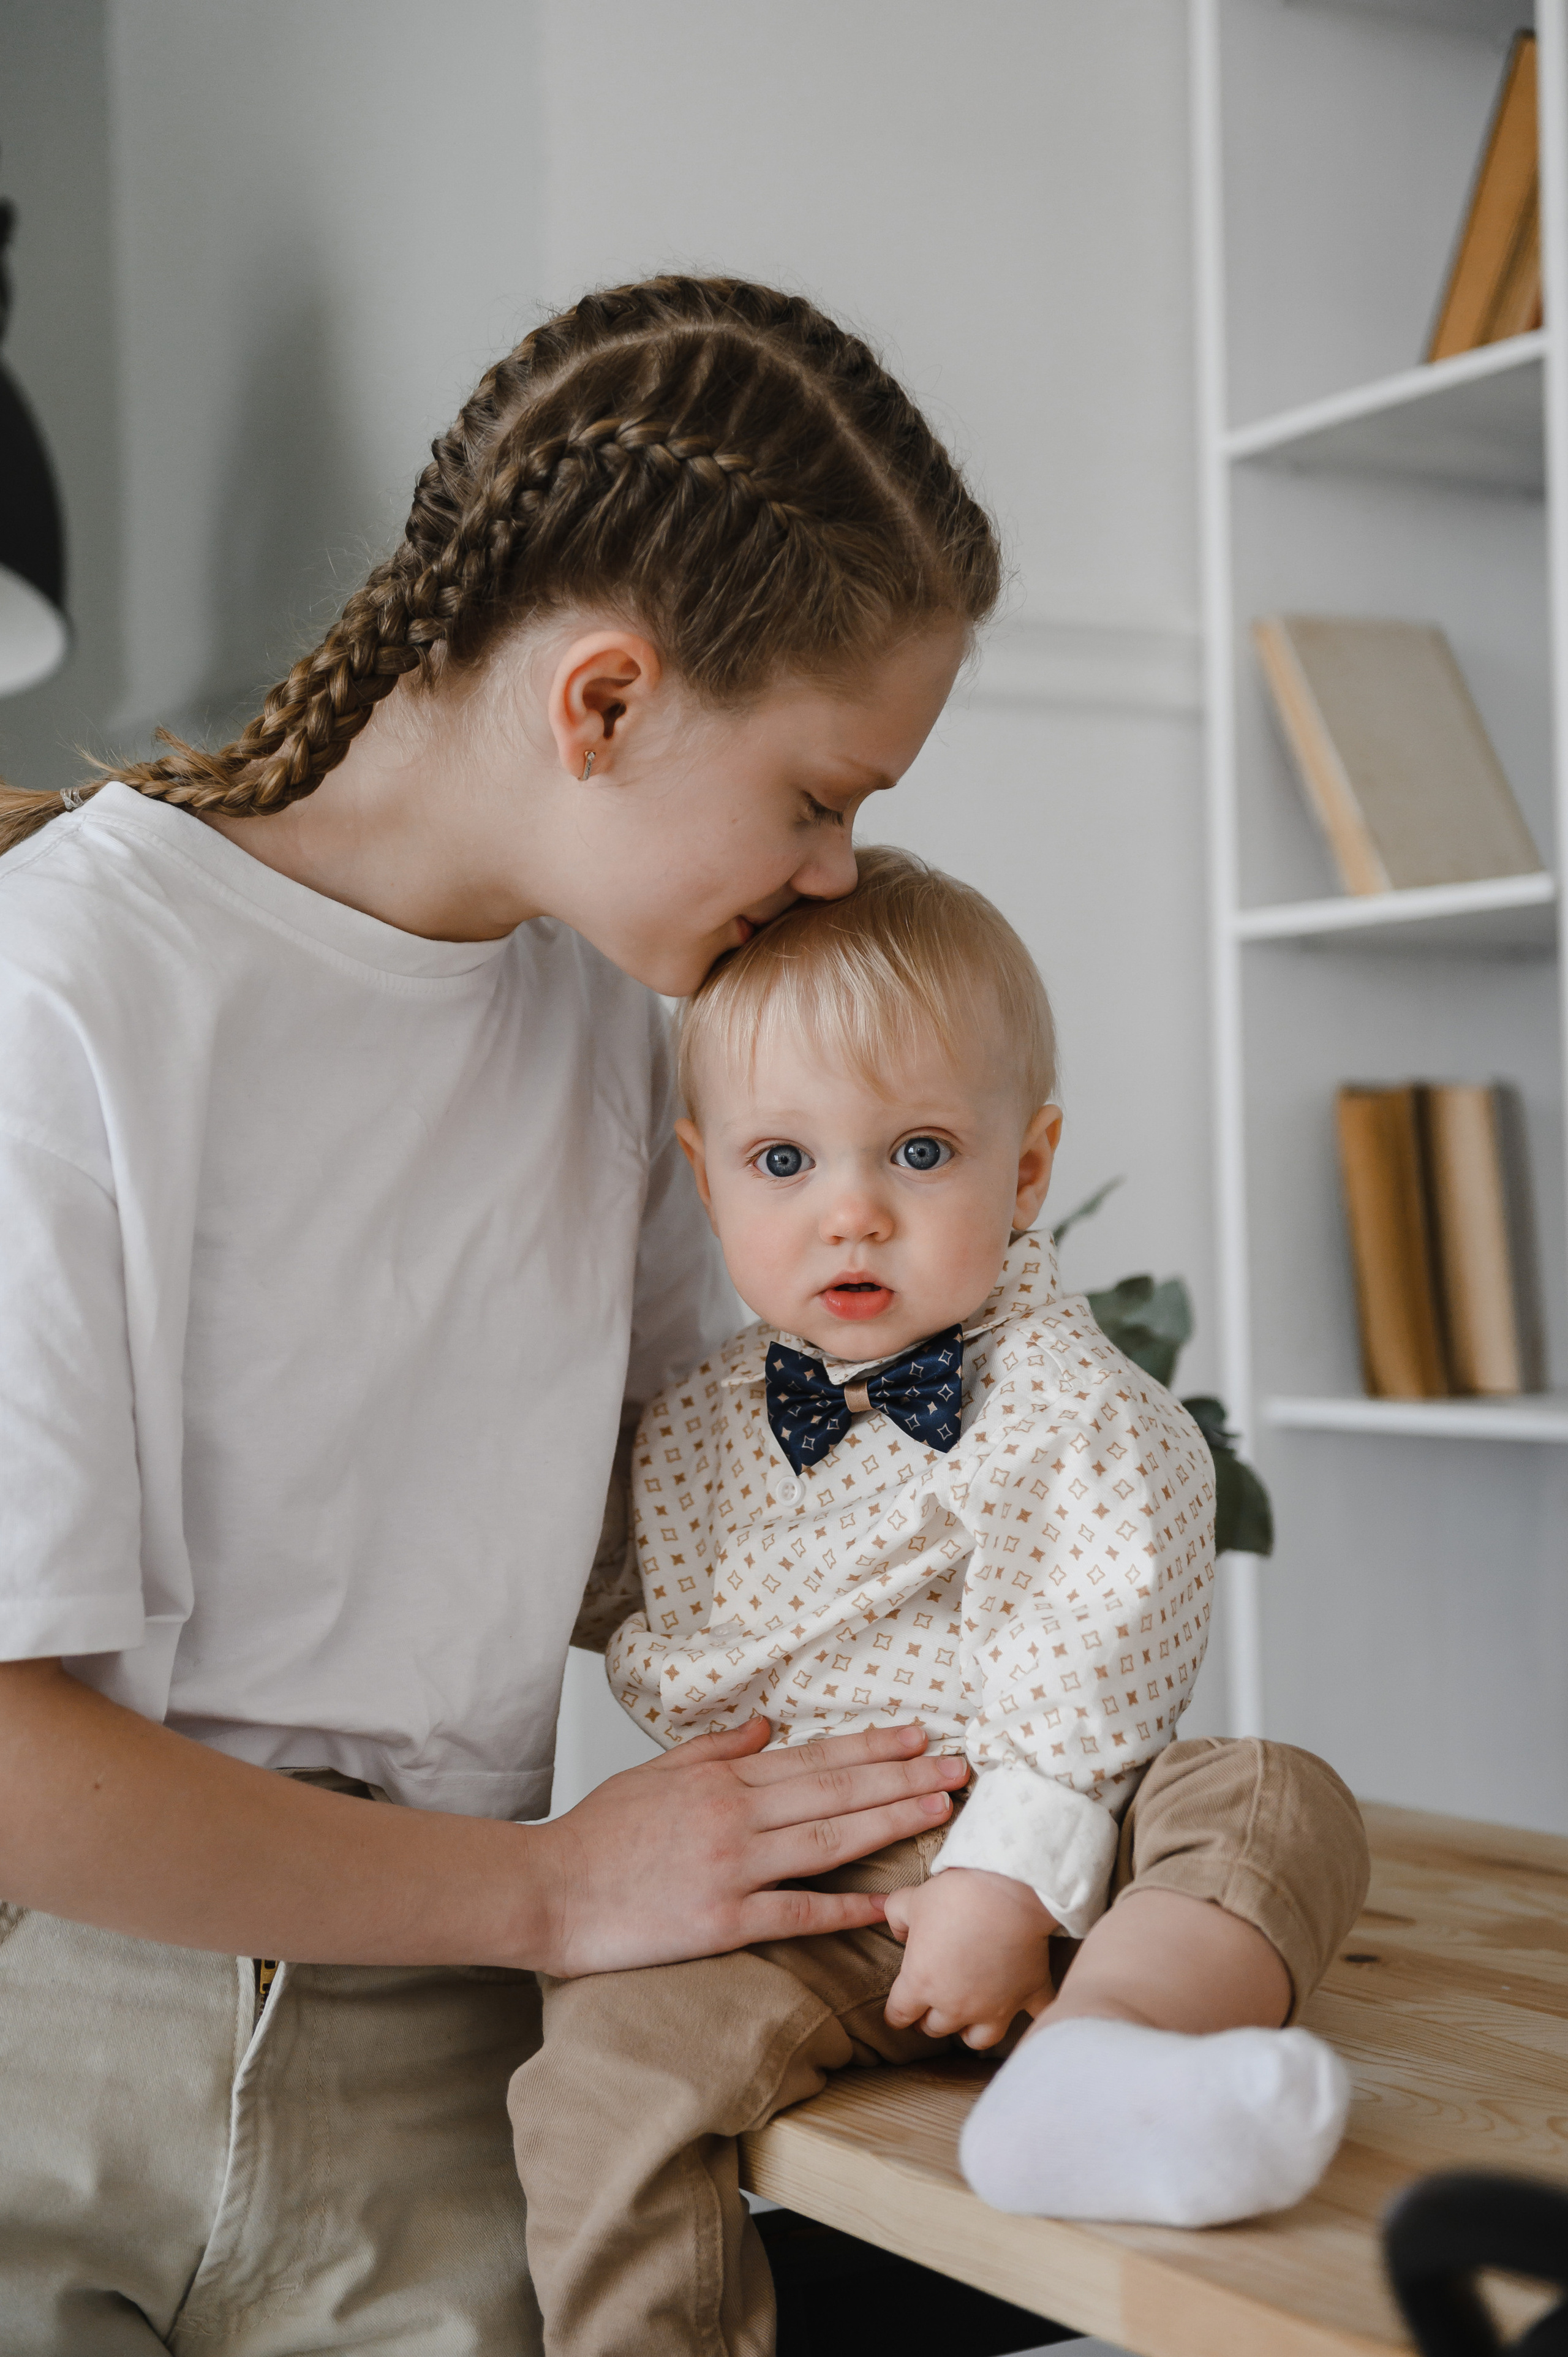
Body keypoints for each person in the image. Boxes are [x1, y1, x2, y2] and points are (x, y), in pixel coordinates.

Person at [0, 278, 1003, 2355]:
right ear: (607, 699)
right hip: (54, 2032)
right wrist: (551, 1886)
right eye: (823, 794)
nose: (838, 873)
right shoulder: (69, 988)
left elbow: (687, 1543)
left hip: (451, 2075)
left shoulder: (615, 1046)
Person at [511, 848, 1371, 2357]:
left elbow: (1093, 1656)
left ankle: (1101, 2062)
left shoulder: (1073, 1406)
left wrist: (1004, 1876)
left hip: (1047, 1830)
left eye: (915, 1153)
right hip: (788, 1878)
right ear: (706, 1177)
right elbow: (613, 1605)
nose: (851, 1214)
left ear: (1022, 1168)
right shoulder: (690, 1420)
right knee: (593, 2062)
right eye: (785, 1163)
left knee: (1265, 1795)